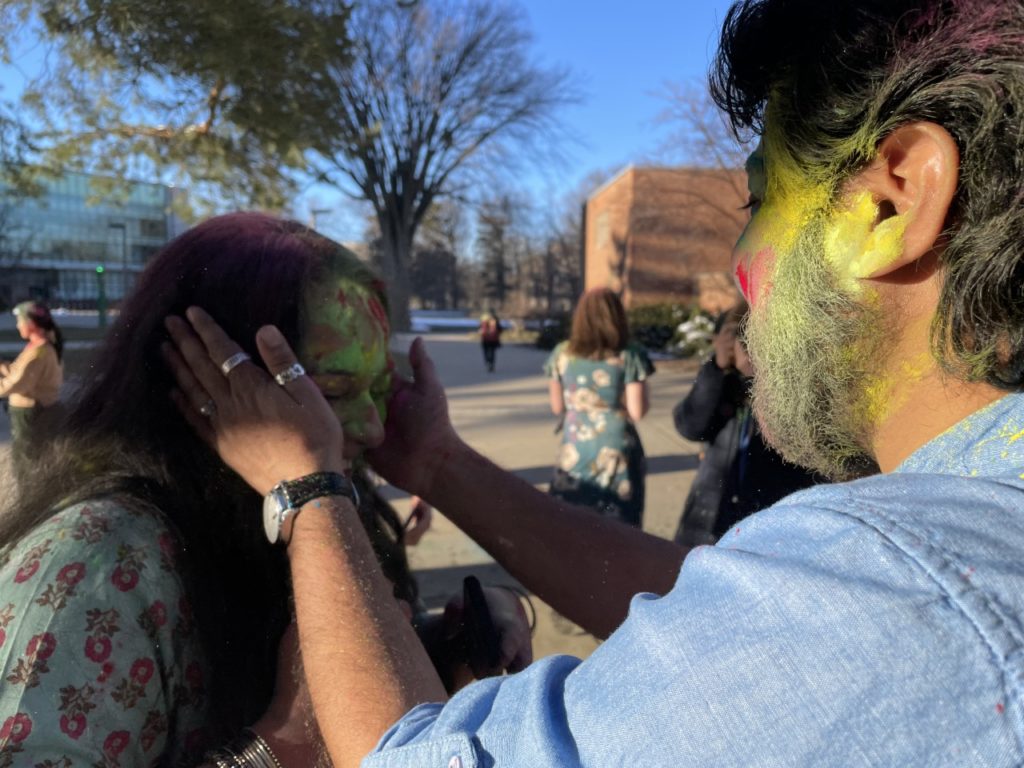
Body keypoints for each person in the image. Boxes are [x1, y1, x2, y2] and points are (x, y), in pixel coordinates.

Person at [164, 0, 1024, 763]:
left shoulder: (914, 585)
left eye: (759, 203)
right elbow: (705, 606)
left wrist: (306, 489)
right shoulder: (947, 538)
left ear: (893, 200)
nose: (741, 267)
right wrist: (438, 465)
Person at [0, 213, 529, 765]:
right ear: (202, 372)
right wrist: (277, 747)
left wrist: (433, 643)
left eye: (379, 388)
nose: (373, 428)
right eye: (335, 389)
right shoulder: (95, 567)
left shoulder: (313, 505)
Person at [673, 300, 823, 545]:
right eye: (742, 335)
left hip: (770, 523)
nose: (749, 345)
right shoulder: (722, 383)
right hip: (709, 516)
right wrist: (716, 368)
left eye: (757, 336)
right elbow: (690, 426)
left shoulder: (797, 391)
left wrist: (761, 379)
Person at [545, 288, 654, 526]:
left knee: (571, 517)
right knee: (619, 520)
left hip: (576, 441)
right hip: (617, 446)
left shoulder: (562, 354)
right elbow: (637, 411)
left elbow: (557, 407)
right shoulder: (629, 355)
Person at [0, 300, 63, 447]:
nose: (17, 326)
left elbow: (18, 382)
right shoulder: (40, 347)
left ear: (31, 324)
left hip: (31, 412)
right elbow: (22, 373)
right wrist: (2, 365)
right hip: (36, 408)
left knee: (26, 458)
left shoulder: (38, 353)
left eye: (19, 321)